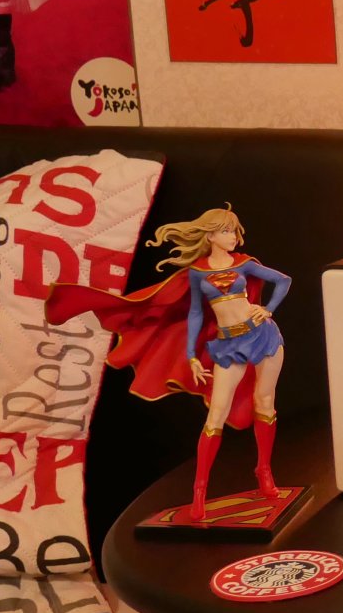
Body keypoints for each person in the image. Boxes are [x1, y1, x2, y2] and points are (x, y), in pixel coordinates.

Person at [47, 207, 290, 521]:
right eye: (227, 231)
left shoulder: (245, 263)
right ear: (210, 235)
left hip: (263, 336)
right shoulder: (198, 272)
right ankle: (199, 491)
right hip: (229, 344)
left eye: (234, 231)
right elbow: (195, 313)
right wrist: (191, 355)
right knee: (216, 415)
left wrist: (268, 309)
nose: (234, 237)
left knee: (264, 402)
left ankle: (264, 470)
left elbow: (283, 280)